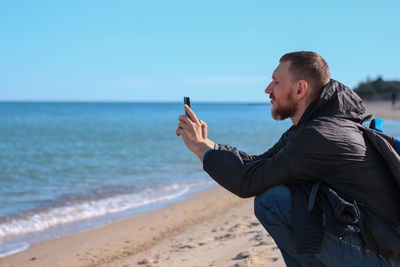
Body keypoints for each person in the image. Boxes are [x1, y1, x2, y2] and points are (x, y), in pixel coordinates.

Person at [176, 51, 400, 266]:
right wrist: (209, 145)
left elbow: (246, 182)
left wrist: (199, 149)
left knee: (273, 202)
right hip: (379, 245)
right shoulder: (318, 125)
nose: (267, 89)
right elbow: (258, 163)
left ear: (300, 88)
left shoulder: (319, 135)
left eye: (276, 82)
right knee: (285, 196)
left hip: (386, 257)